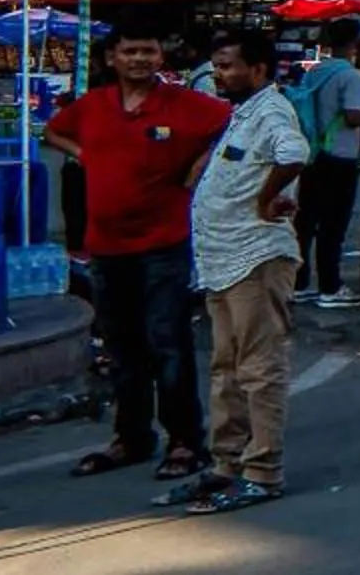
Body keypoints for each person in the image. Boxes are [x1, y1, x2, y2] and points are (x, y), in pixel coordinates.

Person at [51, 30, 230, 481]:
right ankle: (131, 437)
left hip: (163, 246)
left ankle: (187, 441)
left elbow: (236, 121)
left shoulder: (183, 104)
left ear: (161, 53)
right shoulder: (94, 105)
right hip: (106, 248)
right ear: (112, 57)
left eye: (148, 49)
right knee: (122, 349)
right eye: (130, 51)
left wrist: (202, 163)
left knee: (168, 344)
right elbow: (53, 131)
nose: (139, 58)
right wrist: (86, 155)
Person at [178, 30, 307, 514]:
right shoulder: (242, 115)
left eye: (228, 65)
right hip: (222, 260)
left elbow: (294, 155)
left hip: (256, 257)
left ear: (257, 69)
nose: (219, 74)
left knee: (258, 368)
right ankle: (226, 464)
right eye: (217, 65)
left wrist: (263, 198)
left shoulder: (272, 111)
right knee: (226, 368)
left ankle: (263, 470)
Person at [290, 19, 360, 312]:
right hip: (340, 156)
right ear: (354, 44)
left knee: (306, 222)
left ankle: (299, 284)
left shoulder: (316, 72)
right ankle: (330, 287)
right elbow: (351, 116)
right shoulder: (351, 76)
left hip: (312, 154)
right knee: (333, 225)